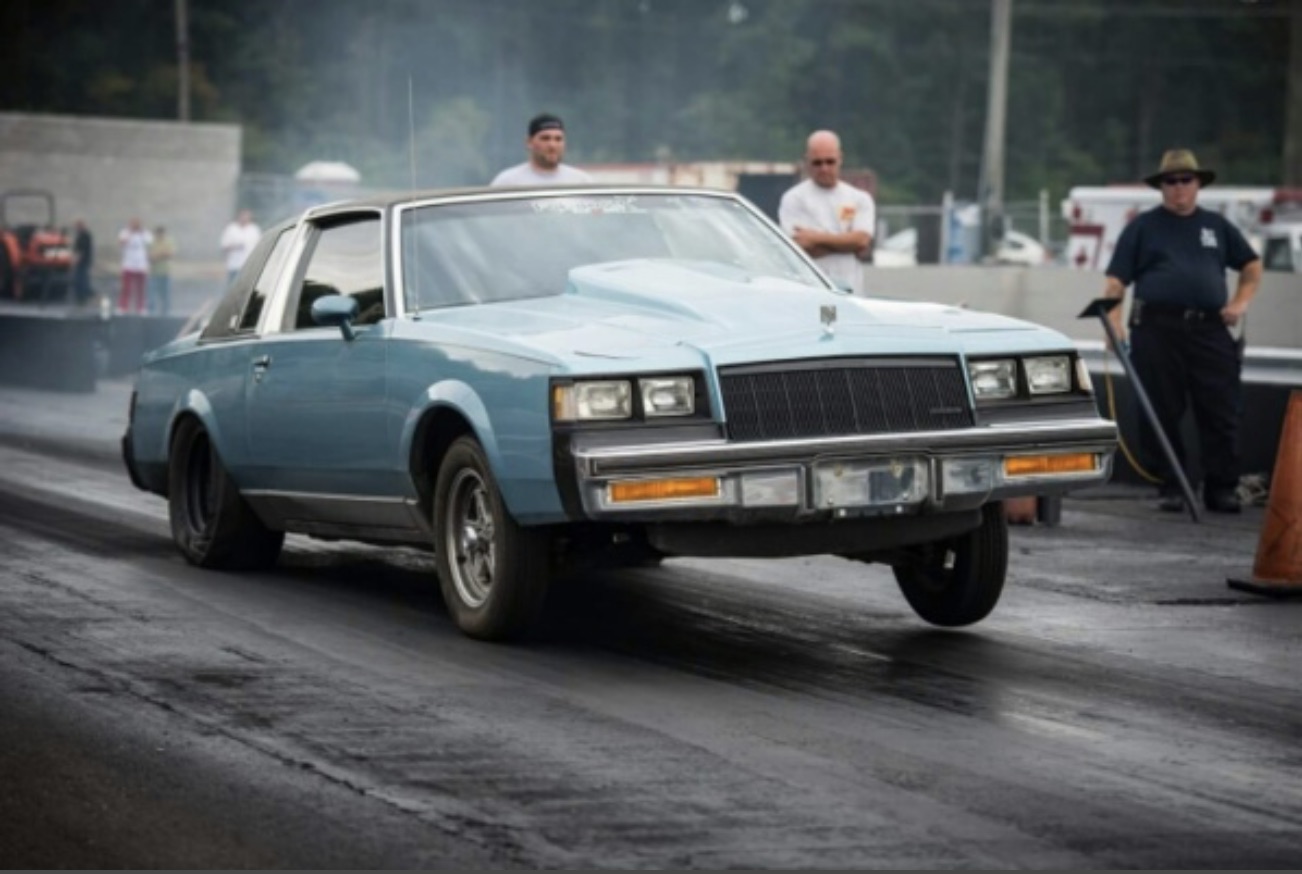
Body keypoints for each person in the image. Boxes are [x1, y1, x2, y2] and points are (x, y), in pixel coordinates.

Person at [1102, 148, 1263, 514]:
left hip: (1210, 329)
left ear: (1197, 184)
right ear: (1161, 187)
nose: (1178, 188)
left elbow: (1252, 266)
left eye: (1184, 181)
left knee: (1221, 410)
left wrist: (1239, 303)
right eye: (1170, 182)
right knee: (1159, 410)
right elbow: (1115, 282)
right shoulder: (1143, 227)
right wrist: (1113, 324)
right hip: (1157, 328)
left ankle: (1221, 486)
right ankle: (1170, 484)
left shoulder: (1217, 227)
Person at [778, 130, 876, 295]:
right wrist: (846, 244)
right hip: (809, 293)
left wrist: (815, 237)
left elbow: (862, 241)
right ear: (807, 161)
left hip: (851, 292)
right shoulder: (793, 199)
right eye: (817, 163)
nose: (824, 168)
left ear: (840, 159)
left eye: (830, 162)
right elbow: (798, 248)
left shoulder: (860, 199)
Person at [490, 113, 593, 186]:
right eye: (545, 138)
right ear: (529, 142)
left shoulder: (582, 182)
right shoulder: (508, 182)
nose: (552, 145)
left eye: (558, 139)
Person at [117, 217, 152, 314]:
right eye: (133, 224)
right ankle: (123, 307)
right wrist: (131, 232)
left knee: (141, 289)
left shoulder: (144, 233)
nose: (135, 226)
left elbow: (150, 242)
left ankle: (141, 308)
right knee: (126, 288)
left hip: (141, 265)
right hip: (128, 264)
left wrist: (140, 232)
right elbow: (121, 242)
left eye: (137, 224)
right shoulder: (125, 232)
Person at [220, 208, 261, 285]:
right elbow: (224, 246)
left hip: (250, 266)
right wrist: (236, 247)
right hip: (234, 266)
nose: (245, 218)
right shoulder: (231, 228)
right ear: (239, 216)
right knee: (232, 288)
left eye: (247, 216)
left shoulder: (254, 229)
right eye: (243, 216)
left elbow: (259, 246)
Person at [147, 225, 177, 316]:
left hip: (166, 272)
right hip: (154, 272)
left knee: (166, 296)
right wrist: (162, 254)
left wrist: (158, 255)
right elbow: (150, 257)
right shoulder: (152, 243)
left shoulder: (169, 241)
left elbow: (170, 253)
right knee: (152, 296)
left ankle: (165, 314)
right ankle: (151, 314)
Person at [70, 219, 94, 306]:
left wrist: (76, 260)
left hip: (82, 261)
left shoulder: (84, 235)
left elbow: (81, 250)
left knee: (81, 279)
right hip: (83, 261)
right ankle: (81, 296)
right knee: (82, 278)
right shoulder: (82, 235)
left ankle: (82, 297)